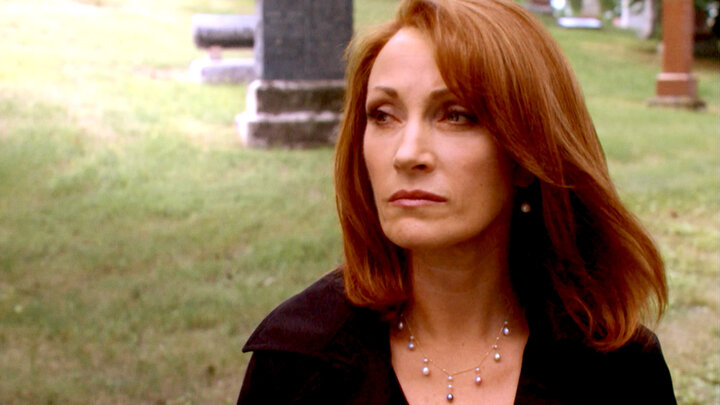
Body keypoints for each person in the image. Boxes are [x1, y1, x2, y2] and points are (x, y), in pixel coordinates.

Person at [237, 0, 677, 403]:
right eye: (383, 115)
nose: (407, 153)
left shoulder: (618, 372)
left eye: (456, 115)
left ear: (527, 156)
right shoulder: (295, 363)